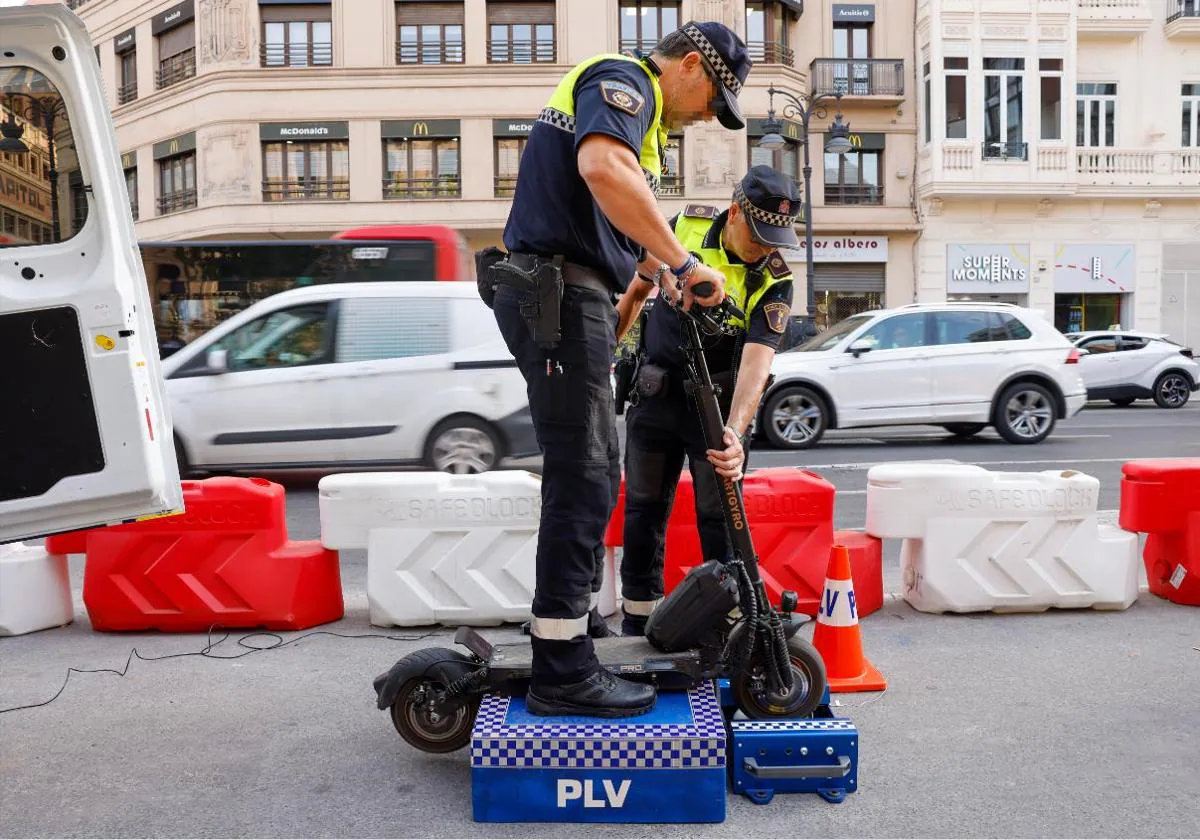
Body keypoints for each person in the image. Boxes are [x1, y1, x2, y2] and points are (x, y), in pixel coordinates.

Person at [480, 21, 754, 718]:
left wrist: (656, 282)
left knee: (593, 467)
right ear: (691, 66)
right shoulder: (624, 81)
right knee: (587, 473)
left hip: (576, 298)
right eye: (710, 100)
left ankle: (568, 628)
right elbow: (601, 172)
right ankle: (562, 666)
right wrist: (687, 263)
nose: (704, 117)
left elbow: (623, 256)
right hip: (556, 291)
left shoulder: (643, 129)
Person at [612, 165, 802, 636]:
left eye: (775, 239)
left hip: (716, 408)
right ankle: (638, 621)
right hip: (656, 397)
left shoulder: (773, 279)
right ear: (734, 211)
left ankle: (724, 623)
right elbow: (638, 283)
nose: (766, 249)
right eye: (759, 236)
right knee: (643, 510)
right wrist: (605, 350)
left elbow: (758, 364)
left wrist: (735, 433)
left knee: (719, 518)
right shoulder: (684, 228)